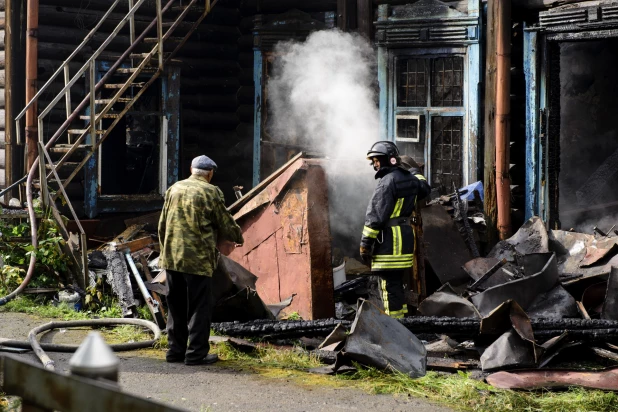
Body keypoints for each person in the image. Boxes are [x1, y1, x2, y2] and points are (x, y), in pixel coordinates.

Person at [158, 155, 244, 365]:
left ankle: (174, 352)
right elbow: (224, 222)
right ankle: (196, 354)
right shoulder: (211, 192)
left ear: (191, 169)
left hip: (172, 258)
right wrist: (238, 236)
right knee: (199, 307)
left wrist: (165, 252)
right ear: (210, 173)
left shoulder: (174, 189)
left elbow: (162, 225)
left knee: (176, 306)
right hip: (197, 260)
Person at [360, 142, 430, 318]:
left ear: (388, 160)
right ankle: (404, 324)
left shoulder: (386, 183)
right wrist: (416, 172)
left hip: (389, 243)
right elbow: (424, 189)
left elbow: (375, 216)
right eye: (373, 161)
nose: (374, 165)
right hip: (405, 241)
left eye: (377, 160)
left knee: (387, 288)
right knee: (396, 284)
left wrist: (365, 244)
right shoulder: (411, 179)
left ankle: (394, 329)